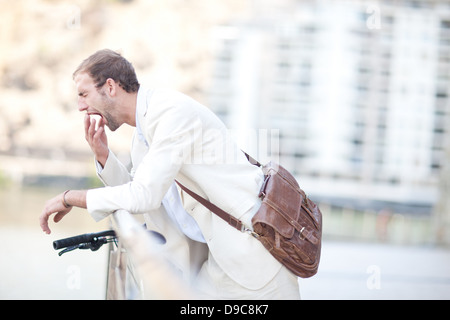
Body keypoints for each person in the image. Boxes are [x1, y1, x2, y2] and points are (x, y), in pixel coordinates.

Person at [39, 49, 300, 299]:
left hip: (254, 263)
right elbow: (138, 195)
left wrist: (69, 198)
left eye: (83, 94)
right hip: (218, 264)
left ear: (110, 87)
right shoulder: (144, 129)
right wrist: (103, 156)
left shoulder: (170, 114)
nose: (80, 107)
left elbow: (144, 196)